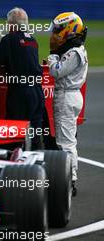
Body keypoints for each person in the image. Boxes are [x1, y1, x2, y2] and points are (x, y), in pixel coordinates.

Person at [0, 7, 47, 150]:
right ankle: (37, 164)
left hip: (20, 93)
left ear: (11, 25)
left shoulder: (9, 40)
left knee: (15, 133)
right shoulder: (33, 41)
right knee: (35, 134)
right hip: (37, 92)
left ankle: (15, 166)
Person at [47, 12, 88, 195]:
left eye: (58, 30)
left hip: (67, 96)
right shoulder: (76, 49)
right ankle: (69, 177)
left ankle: (70, 180)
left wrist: (53, 56)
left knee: (65, 142)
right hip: (70, 95)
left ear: (70, 30)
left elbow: (56, 71)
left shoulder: (74, 52)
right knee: (67, 140)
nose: (55, 35)